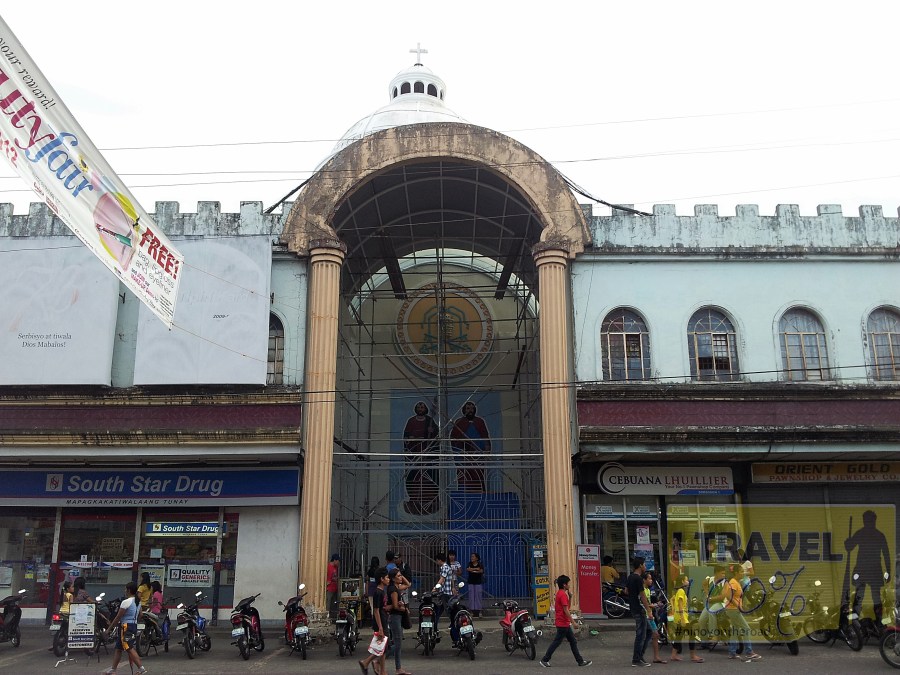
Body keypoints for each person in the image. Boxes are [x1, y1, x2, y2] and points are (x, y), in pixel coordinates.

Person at [845, 509, 891, 625]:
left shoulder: (879, 535)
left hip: (874, 570)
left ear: (874, 521)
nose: (868, 523)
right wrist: (848, 542)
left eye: (870, 521)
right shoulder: (861, 533)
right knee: (859, 595)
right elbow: (850, 547)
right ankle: (855, 621)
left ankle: (879, 621)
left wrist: (888, 571)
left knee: (876, 596)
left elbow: (886, 554)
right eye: (866, 521)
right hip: (862, 569)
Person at [711, 563, 761, 662]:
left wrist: (740, 605)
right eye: (741, 571)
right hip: (733, 610)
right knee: (746, 628)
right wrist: (737, 605)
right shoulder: (733, 583)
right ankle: (749, 652)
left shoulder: (736, 582)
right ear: (736, 573)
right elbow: (728, 596)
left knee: (735, 631)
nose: (743, 573)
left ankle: (732, 653)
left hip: (733, 609)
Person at [539, 575, 591, 668]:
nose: (569, 585)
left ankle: (580, 661)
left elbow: (567, 607)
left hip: (563, 622)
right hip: (562, 622)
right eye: (568, 583)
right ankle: (545, 659)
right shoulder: (562, 595)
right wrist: (573, 622)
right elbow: (566, 610)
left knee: (572, 641)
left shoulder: (561, 593)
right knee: (557, 642)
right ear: (564, 585)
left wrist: (570, 597)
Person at [102, 581, 148, 675]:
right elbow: (140, 615)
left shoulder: (126, 602)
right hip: (133, 625)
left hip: (126, 627)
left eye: (125, 589)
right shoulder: (138, 602)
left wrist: (109, 629)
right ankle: (113, 669)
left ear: (129, 590)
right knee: (118, 648)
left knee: (128, 647)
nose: (125, 591)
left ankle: (141, 669)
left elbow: (118, 617)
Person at [403, 401, 440, 515]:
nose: (420, 408)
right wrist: (411, 438)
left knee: (429, 475)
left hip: (427, 453)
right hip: (415, 453)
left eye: (422, 407)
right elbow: (406, 437)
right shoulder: (411, 421)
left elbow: (436, 436)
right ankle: (415, 499)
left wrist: (432, 432)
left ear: (425, 409)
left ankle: (430, 499)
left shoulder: (429, 420)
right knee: (414, 476)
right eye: (419, 407)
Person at [450, 401, 490, 492]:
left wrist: (486, 449)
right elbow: (454, 438)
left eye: (472, 408)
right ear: (464, 410)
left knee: (478, 475)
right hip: (464, 455)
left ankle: (479, 495)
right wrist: (460, 448)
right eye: (468, 408)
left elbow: (485, 436)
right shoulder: (459, 422)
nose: (470, 410)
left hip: (477, 454)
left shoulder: (479, 421)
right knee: (463, 476)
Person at [359, 567, 389, 675]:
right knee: (382, 646)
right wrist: (380, 627)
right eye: (387, 577)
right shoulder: (378, 592)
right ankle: (370, 664)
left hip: (383, 619)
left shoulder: (381, 591)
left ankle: (374, 666)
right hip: (380, 622)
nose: (388, 579)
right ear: (381, 579)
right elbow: (376, 610)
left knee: (382, 646)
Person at [670, 573, 703, 662]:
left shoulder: (679, 591)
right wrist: (683, 618)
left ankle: (673, 655)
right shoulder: (681, 591)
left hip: (680, 617)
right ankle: (693, 656)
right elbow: (680, 605)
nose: (688, 581)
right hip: (682, 617)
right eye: (686, 580)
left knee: (679, 636)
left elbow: (673, 600)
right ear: (682, 581)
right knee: (692, 635)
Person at [627, 556, 652, 667]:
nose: (645, 566)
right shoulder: (638, 579)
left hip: (633, 607)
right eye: (644, 564)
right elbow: (643, 596)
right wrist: (649, 610)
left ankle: (640, 656)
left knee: (649, 631)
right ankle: (636, 659)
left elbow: (626, 591)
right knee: (641, 635)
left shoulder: (630, 577)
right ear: (641, 565)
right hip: (638, 609)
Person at [386, 568, 412, 675]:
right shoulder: (393, 589)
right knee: (398, 642)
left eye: (401, 575)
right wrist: (404, 608)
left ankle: (383, 657)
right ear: (393, 578)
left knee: (399, 641)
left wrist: (400, 575)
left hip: (398, 617)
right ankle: (396, 667)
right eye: (398, 576)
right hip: (395, 617)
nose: (400, 577)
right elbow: (395, 606)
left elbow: (408, 584)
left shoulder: (397, 587)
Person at [698, 565, 726, 649]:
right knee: (701, 620)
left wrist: (711, 598)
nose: (724, 575)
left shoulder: (724, 583)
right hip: (711, 603)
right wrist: (707, 593)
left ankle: (714, 635)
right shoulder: (710, 579)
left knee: (712, 611)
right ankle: (704, 643)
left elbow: (722, 597)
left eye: (724, 573)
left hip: (721, 603)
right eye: (722, 573)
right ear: (716, 573)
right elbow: (704, 583)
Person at [643, 571, 666, 664]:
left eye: (651, 579)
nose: (651, 580)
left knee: (655, 635)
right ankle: (640, 655)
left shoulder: (648, 590)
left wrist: (655, 604)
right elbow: (644, 604)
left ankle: (656, 657)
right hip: (645, 616)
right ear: (644, 580)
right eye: (649, 579)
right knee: (645, 636)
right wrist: (654, 605)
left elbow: (649, 603)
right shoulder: (642, 591)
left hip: (650, 616)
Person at [434, 552, 453, 630]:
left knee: (448, 609)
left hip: (446, 592)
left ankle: (453, 623)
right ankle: (435, 625)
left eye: (437, 560)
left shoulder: (445, 567)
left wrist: (435, 588)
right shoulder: (446, 567)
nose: (437, 562)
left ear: (439, 560)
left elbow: (442, 579)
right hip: (443, 592)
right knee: (439, 609)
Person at [466, 552, 484, 617]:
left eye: (473, 556)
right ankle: (471, 611)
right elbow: (468, 569)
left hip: (478, 582)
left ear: (477, 558)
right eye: (471, 556)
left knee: (478, 596)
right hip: (471, 582)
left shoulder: (480, 564)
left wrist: (473, 570)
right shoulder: (469, 563)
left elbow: (481, 571)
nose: (472, 558)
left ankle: (479, 611)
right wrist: (476, 569)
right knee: (471, 596)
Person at [327, 553, 341, 618]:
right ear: (335, 560)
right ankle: (327, 616)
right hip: (329, 588)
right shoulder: (328, 567)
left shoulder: (335, 567)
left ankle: (333, 617)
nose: (339, 562)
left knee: (334, 604)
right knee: (328, 604)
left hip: (334, 588)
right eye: (338, 561)